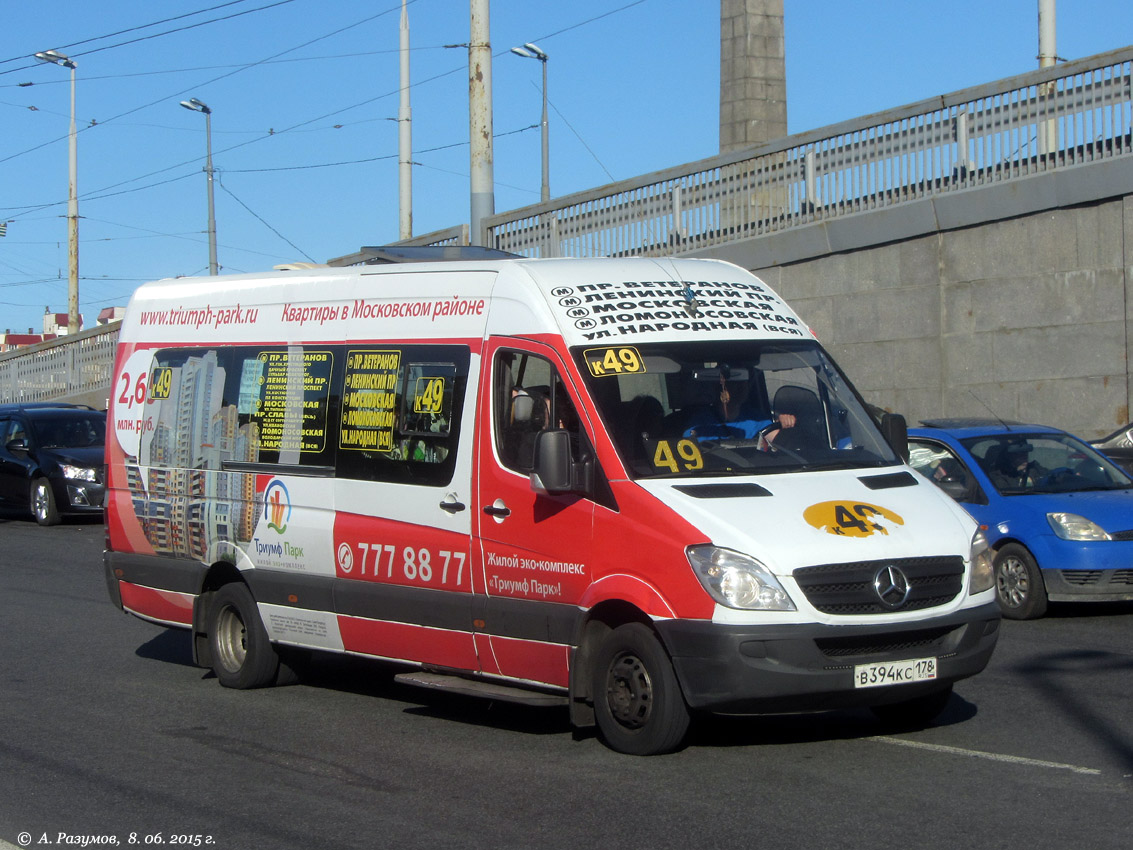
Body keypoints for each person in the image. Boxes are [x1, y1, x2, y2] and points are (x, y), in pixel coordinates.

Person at [684, 372, 795, 444]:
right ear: (722, 387)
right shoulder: (700, 423)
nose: (742, 388)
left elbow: (773, 445)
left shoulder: (757, 419)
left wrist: (784, 425)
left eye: (745, 384)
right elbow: (692, 453)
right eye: (736, 384)